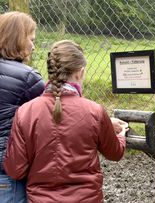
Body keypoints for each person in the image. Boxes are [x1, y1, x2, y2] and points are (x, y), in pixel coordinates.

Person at [4, 40, 127, 203]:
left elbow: (15, 170)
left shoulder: (25, 112)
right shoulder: (95, 111)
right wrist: (122, 135)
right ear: (80, 72)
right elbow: (115, 153)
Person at [0, 11, 45, 203]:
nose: (33, 46)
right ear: (18, 39)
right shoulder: (28, 78)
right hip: (7, 171)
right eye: (31, 39)